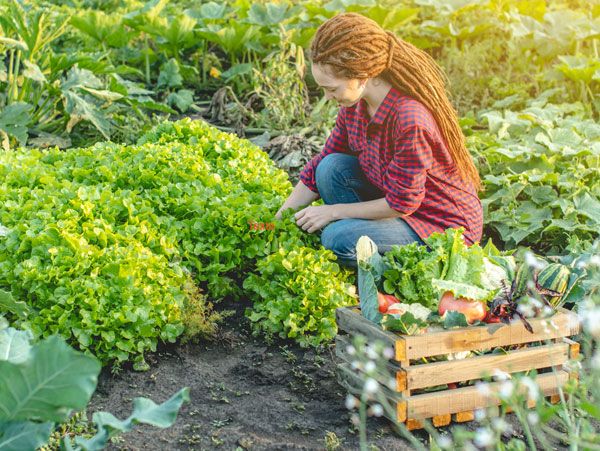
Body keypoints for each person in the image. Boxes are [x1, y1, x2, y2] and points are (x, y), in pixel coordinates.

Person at [275, 12, 483, 268]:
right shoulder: (355, 106)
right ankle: (363, 239)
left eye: (331, 89)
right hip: (399, 205)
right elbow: (321, 164)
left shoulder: (409, 119)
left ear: (362, 76)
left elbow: (401, 203)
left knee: (337, 239)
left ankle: (388, 276)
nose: (327, 97)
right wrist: (278, 220)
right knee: (330, 168)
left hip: (440, 226)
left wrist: (333, 212)